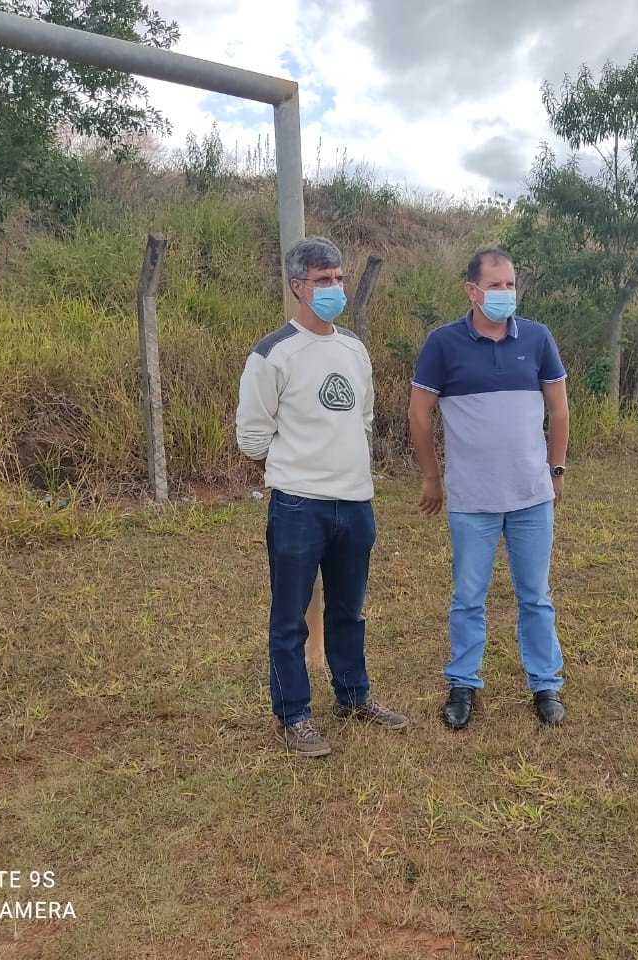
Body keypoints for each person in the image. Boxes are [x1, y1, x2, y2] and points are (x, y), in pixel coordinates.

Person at [236, 235, 407, 757]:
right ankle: (294, 716)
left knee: (348, 611)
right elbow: (252, 438)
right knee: (289, 616)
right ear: (297, 287)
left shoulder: (354, 348)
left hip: (355, 504)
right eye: (322, 280)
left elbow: (364, 416)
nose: (334, 288)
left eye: (338, 278)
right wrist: (299, 464)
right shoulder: (273, 354)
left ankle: (354, 696)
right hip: (297, 506)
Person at [408, 247, 570, 729]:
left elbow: (559, 411)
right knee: (468, 597)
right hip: (472, 500)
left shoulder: (538, 339)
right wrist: (432, 477)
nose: (505, 294)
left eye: (510, 284)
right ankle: (463, 684)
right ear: (472, 290)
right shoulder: (443, 344)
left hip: (531, 496)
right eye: (495, 285)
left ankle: (545, 684)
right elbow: (419, 414)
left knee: (535, 595)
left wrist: (555, 470)